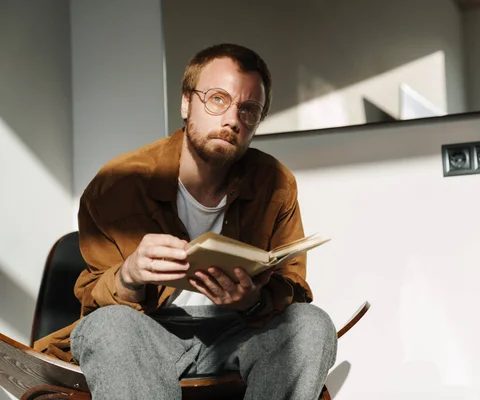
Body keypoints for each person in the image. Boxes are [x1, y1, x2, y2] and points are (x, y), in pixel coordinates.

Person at [34, 43, 337, 400]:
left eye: (249, 109)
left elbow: (293, 289)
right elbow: (91, 300)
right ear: (186, 103)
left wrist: (252, 300)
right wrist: (129, 276)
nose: (232, 119)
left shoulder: (275, 183)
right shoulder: (117, 184)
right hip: (147, 331)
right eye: (218, 99)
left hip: (241, 332)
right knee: (108, 327)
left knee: (311, 325)